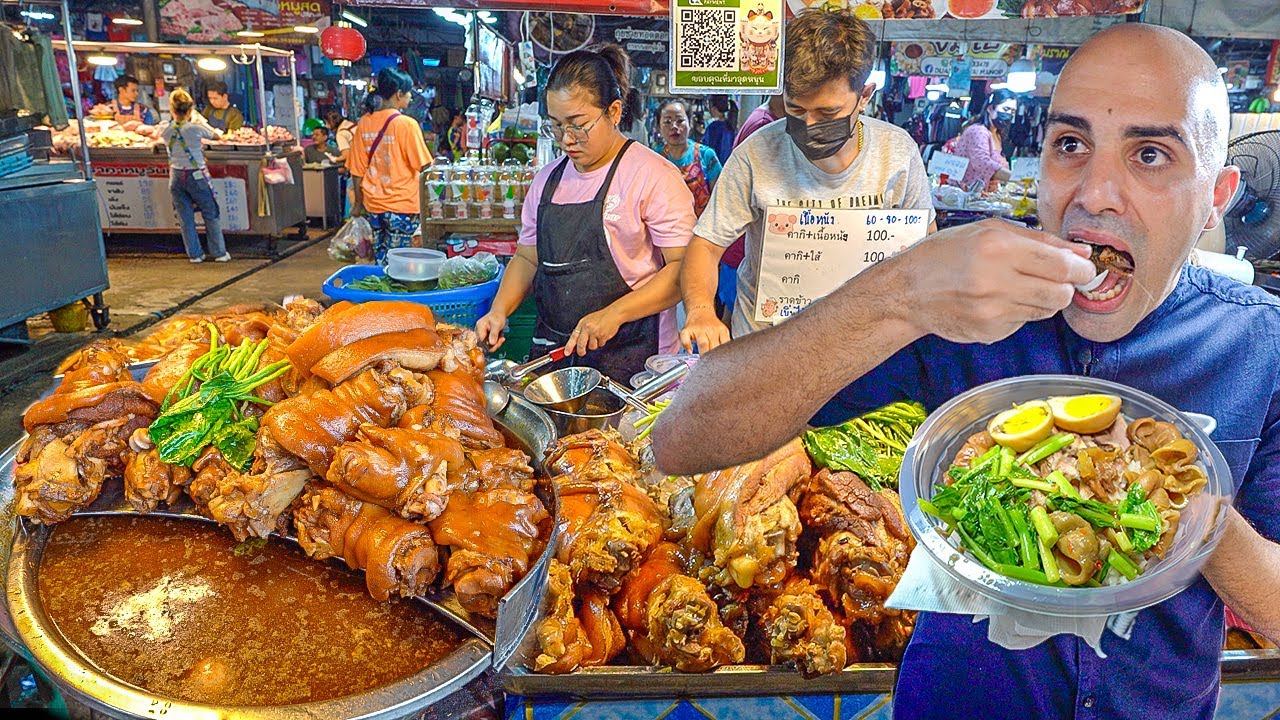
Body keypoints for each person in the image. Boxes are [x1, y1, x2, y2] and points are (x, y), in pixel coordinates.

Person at [653, 23, 1280, 720]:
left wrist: (1171, 500)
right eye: (1070, 145)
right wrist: (901, 291)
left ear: (1216, 196)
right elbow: (684, 439)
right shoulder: (965, 312)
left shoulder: (1259, 346)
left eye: (1152, 154)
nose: (1097, 193)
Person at [679, 9, 935, 353]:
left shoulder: (897, 152)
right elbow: (706, 245)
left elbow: (926, 247)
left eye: (828, 113)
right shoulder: (755, 154)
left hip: (865, 347)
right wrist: (699, 312)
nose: (810, 125)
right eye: (796, 110)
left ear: (864, 96)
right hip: (765, 345)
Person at [474, 44, 695, 381]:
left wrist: (615, 314)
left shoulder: (654, 176)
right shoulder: (546, 181)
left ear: (615, 111)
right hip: (555, 357)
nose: (567, 139)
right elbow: (527, 258)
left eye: (578, 124)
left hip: (634, 360)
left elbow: (684, 270)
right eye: (556, 126)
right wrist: (499, 311)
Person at [346, 68, 433, 265]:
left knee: (380, 258)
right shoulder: (406, 125)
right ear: (398, 94)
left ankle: (380, 294)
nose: (411, 97)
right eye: (409, 93)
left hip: (374, 205)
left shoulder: (364, 123)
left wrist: (358, 204)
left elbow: (357, 171)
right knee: (400, 262)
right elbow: (425, 167)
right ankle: (393, 296)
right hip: (403, 205)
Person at [715, 94, 787, 325]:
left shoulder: (766, 119)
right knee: (730, 321)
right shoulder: (764, 125)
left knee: (729, 314)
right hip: (742, 247)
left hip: (741, 247)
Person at [158, 88, 228, 263]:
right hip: (196, 175)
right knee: (210, 212)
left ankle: (195, 255)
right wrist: (198, 120)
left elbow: (159, 140)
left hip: (175, 177)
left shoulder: (165, 130)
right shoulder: (195, 129)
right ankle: (219, 253)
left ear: (172, 110)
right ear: (190, 109)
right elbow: (217, 136)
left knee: (185, 217)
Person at [657, 99, 722, 217]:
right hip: (663, 231)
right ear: (658, 127)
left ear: (690, 123)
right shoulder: (654, 157)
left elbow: (719, 200)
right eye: (667, 121)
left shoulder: (707, 155)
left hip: (700, 230)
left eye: (680, 120)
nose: (674, 126)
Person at [945, 88, 1017, 191]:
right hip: (964, 195)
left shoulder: (996, 134)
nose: (1009, 114)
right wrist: (1016, 179)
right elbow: (982, 163)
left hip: (981, 194)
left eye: (1013, 111)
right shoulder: (978, 131)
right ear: (990, 109)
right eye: (1006, 109)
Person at [703, 94, 738, 164]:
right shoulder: (732, 125)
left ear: (714, 108)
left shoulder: (713, 127)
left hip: (716, 168)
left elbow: (706, 150)